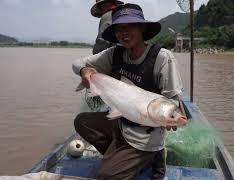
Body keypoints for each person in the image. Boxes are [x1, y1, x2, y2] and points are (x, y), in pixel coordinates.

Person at [72, 3, 187, 180]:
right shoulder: (114, 54)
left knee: (105, 176)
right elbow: (77, 63)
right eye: (118, 29)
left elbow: (173, 100)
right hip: (123, 121)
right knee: (82, 122)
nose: (123, 33)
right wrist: (85, 72)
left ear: (141, 28)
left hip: (146, 135)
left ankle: (153, 157)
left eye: (129, 26)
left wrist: (171, 117)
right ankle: (121, 156)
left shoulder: (163, 58)